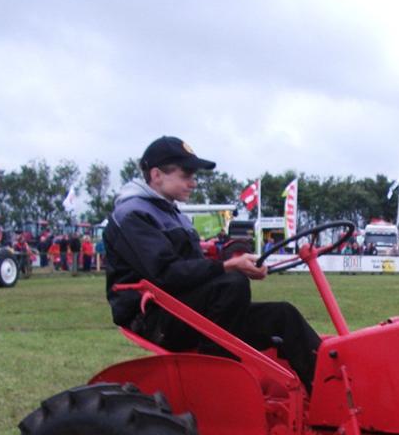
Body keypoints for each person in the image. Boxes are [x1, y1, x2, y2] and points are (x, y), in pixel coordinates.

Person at [104, 136, 320, 389]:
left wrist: (233, 260)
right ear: (156, 175)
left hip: (182, 308)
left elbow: (193, 268)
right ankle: (212, 378)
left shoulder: (169, 213)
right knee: (231, 285)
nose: (193, 183)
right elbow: (165, 273)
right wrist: (226, 267)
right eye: (186, 175)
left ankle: (330, 394)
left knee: (283, 315)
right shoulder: (133, 215)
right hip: (154, 317)